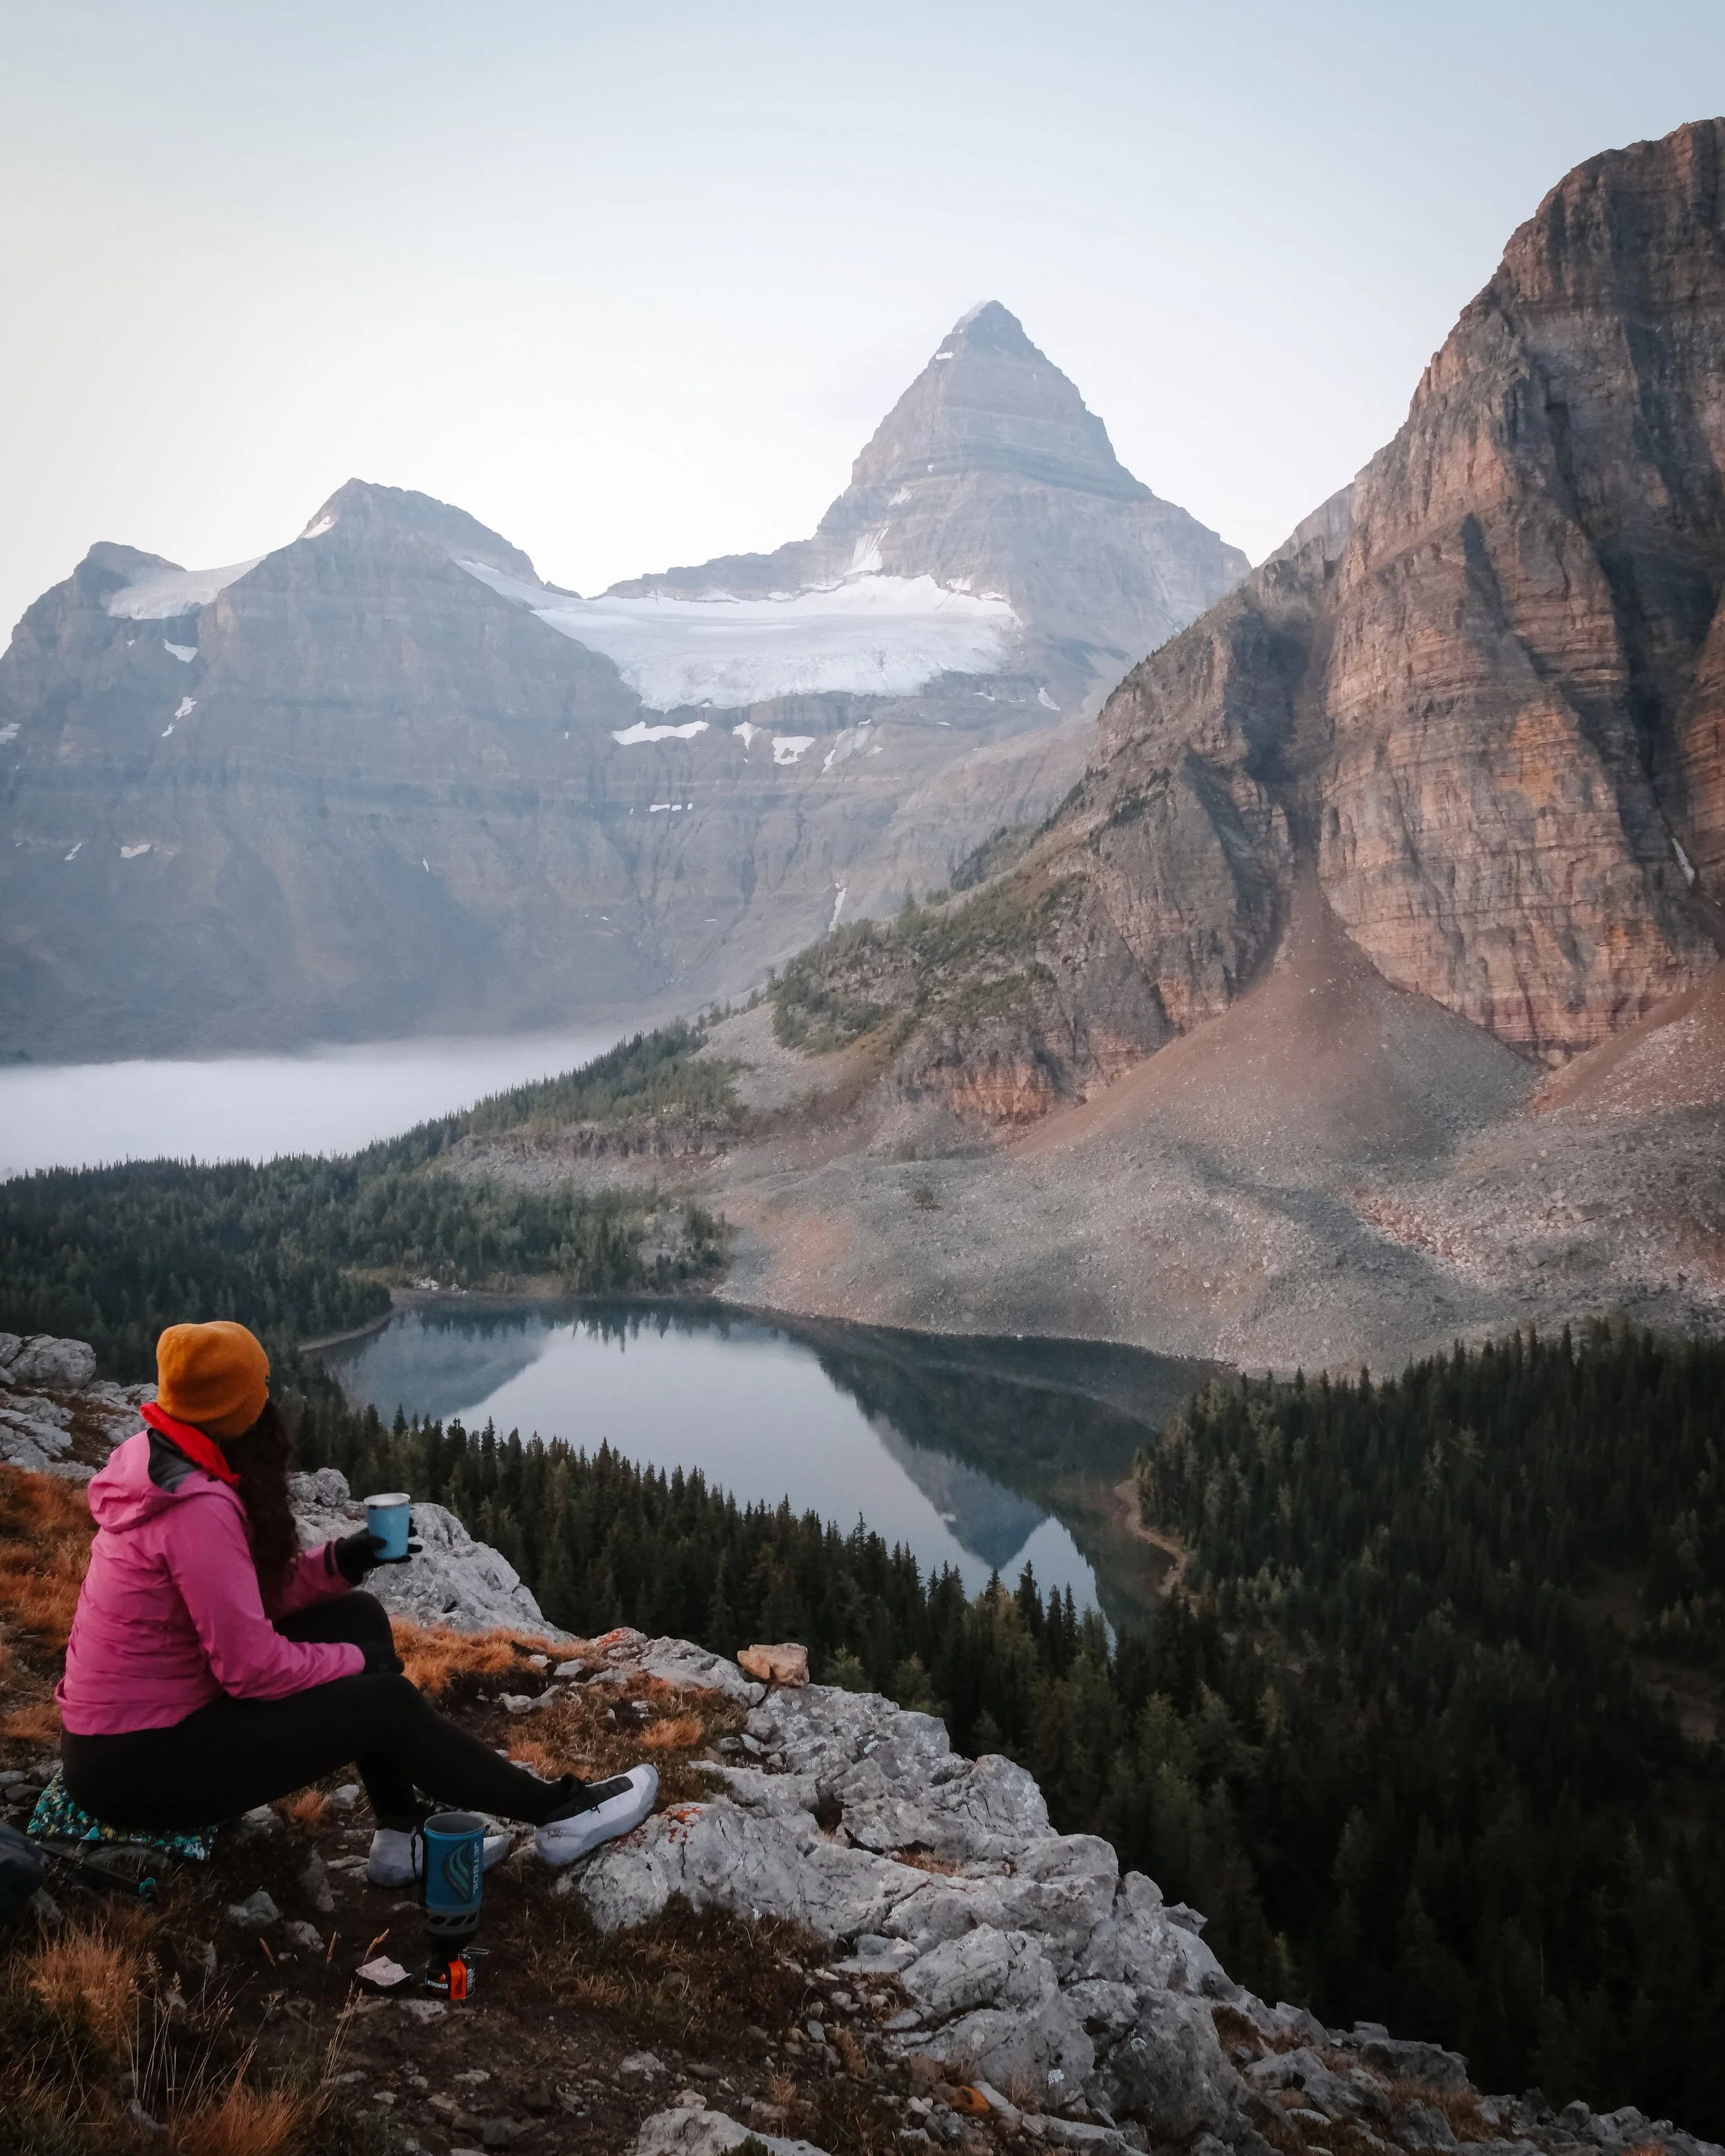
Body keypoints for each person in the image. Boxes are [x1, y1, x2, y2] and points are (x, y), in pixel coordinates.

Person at [56, 1321, 656, 1877]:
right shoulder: (196, 1507)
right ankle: (562, 1814)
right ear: (238, 1408)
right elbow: (249, 1670)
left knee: (359, 1616)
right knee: (385, 1699)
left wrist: (348, 1559)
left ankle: (402, 1834)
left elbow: (243, 1597)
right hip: (139, 1765)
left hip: (132, 1739)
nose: (269, 1398)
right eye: (260, 1389)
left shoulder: (162, 1457)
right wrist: (355, 1666)